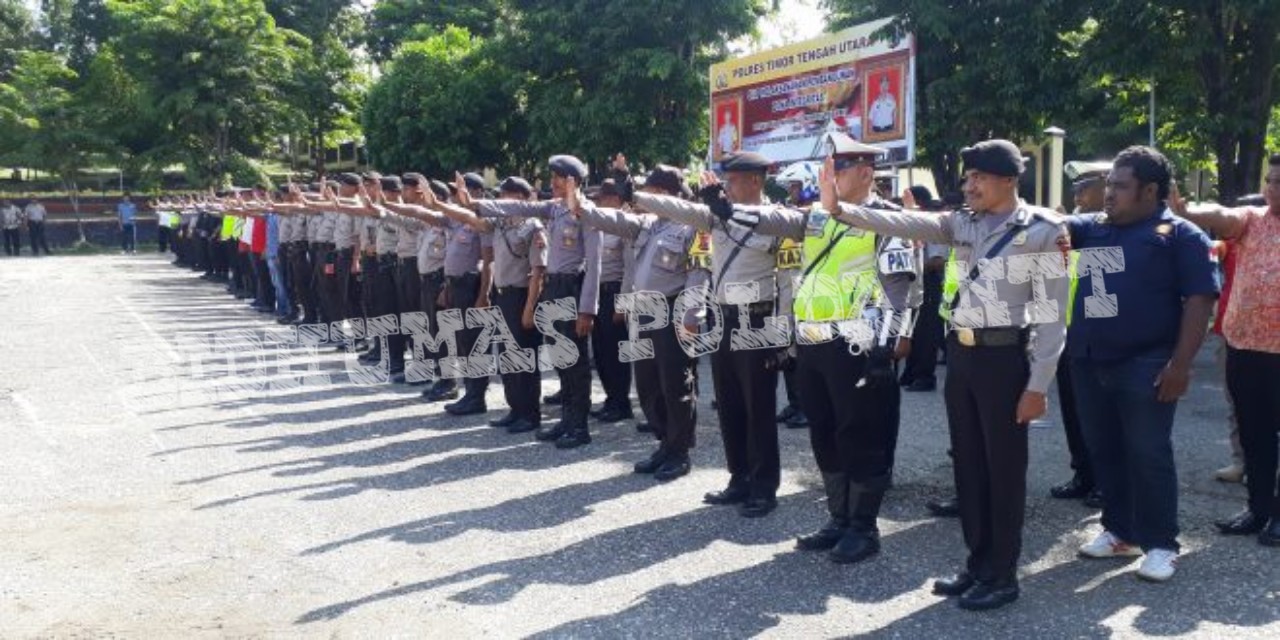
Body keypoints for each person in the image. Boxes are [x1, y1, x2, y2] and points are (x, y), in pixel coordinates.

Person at [828, 139, 1070, 610]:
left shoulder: (1044, 230)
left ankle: (1002, 574)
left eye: (979, 177)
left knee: (1002, 472)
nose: (969, 185)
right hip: (962, 359)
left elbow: (1052, 316)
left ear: (1009, 180)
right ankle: (977, 563)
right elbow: (902, 221)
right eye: (967, 177)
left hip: (1004, 362)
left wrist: (1038, 386)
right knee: (970, 468)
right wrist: (842, 209)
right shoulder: (964, 222)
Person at [728, 132, 922, 564]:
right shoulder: (815, 216)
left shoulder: (886, 220)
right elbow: (773, 221)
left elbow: (898, 291)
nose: (829, 175)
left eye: (840, 168)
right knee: (824, 434)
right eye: (829, 167)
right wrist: (731, 210)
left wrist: (884, 348)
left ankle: (863, 527)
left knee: (860, 436)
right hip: (813, 343)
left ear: (866, 173)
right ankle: (838, 516)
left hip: (856, 343)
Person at [1065, 146, 1218, 582]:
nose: (1107, 194)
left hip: (1147, 360)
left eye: (1119, 186)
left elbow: (1200, 301)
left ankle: (1161, 543)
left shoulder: (1182, 235)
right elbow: (1049, 225)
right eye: (1107, 185)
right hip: (1089, 358)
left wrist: (1181, 365)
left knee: (1148, 452)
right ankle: (1120, 532)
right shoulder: (1092, 229)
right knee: (1105, 449)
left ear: (1150, 191)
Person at [633, 151, 785, 518]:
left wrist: (784, 334)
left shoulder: (778, 219)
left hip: (757, 318)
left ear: (754, 181)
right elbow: (681, 211)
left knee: (758, 406)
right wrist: (636, 192)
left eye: (733, 180)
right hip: (722, 317)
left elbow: (787, 281)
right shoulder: (716, 214)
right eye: (726, 180)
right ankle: (739, 478)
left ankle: (763, 487)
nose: (726, 187)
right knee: (730, 402)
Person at [572, 161, 706, 481]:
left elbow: (698, 275)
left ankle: (679, 451)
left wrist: (691, 317)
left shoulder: (692, 227)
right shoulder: (648, 223)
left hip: (673, 311)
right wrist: (582, 206)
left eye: (651, 190)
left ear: (666, 194)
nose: (645, 195)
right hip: (645, 311)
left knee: (676, 384)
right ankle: (663, 442)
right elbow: (613, 219)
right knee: (647, 382)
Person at [1174, 153, 1280, 546]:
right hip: (1244, 347)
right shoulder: (1253, 222)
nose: (1271, 188)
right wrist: (1187, 211)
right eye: (1269, 180)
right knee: (1254, 433)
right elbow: (1222, 214)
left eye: (1279, 182)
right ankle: (1258, 509)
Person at [470, 156, 602, 449]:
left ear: (573, 180)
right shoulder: (554, 209)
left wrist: (587, 309)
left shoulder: (587, 213)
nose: (551, 182)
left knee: (575, 361)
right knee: (560, 359)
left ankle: (579, 426)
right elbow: (520, 205)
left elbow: (595, 264)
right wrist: (477, 205)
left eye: (557, 177)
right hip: (554, 287)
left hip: (572, 287)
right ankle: (566, 420)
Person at [1049, 161, 1110, 508]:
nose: (1078, 195)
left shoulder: (1108, 230)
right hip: (1067, 331)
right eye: (1076, 189)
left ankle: (1105, 479)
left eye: (1084, 187)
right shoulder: (1073, 230)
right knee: (1074, 409)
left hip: (1098, 335)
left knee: (1101, 412)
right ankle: (1083, 473)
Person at [587, 177, 636, 424]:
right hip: (597, 293)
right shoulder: (598, 225)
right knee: (600, 352)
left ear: (616, 199)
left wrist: (623, 304)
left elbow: (630, 267)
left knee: (616, 353)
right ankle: (610, 399)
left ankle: (621, 402)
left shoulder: (625, 225)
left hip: (615, 292)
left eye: (603, 198)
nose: (599, 203)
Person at [898, 185, 945, 392]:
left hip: (929, 282)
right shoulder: (911, 225)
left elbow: (937, 260)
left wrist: (912, 266)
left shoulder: (931, 226)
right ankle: (910, 372)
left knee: (926, 333)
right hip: (912, 283)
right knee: (912, 331)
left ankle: (925, 376)